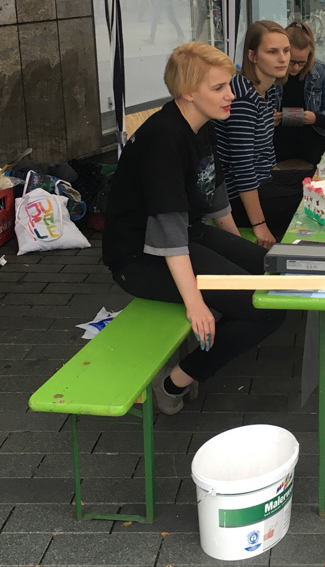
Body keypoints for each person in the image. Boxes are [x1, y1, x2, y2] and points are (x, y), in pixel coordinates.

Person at [102, 42, 286, 415]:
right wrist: (196, 303)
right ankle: (176, 380)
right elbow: (166, 233)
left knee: (270, 269)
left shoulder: (202, 120)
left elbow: (213, 191)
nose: (230, 94)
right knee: (268, 308)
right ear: (187, 92)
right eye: (218, 88)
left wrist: (236, 250)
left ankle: (224, 320)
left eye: (229, 84)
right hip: (141, 257)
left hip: (186, 235)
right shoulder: (164, 139)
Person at [216, 20, 302, 245]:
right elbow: (242, 168)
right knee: (311, 202)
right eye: (272, 52)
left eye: (285, 50)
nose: (283, 58)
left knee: (315, 183)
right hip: (237, 199)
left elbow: (263, 152)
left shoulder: (269, 89)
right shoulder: (243, 100)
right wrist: (259, 225)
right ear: (252, 56)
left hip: (263, 180)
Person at [271, 21, 325, 171]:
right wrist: (269, 118)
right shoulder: (271, 72)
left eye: (302, 63)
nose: (296, 68)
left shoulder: (320, 71)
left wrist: (316, 118)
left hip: (312, 141)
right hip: (278, 142)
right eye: (292, 62)